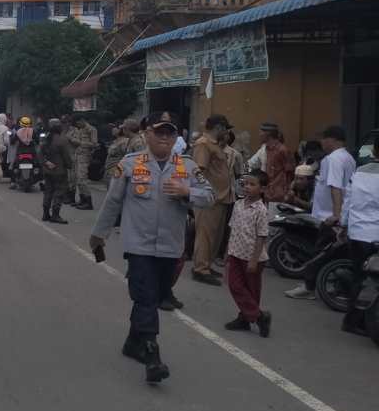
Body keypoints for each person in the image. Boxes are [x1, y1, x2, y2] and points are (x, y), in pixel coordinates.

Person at [90, 112, 214, 384]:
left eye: (170, 133)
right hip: (139, 245)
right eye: (159, 132)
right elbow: (112, 202)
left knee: (152, 297)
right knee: (145, 296)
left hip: (170, 248)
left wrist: (187, 193)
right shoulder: (130, 165)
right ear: (147, 134)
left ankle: (133, 342)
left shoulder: (187, 167)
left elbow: (209, 196)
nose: (165, 138)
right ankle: (152, 352)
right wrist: (99, 235)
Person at [286, 125, 358, 300]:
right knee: (332, 253)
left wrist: (336, 215)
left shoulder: (333, 159)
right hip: (338, 215)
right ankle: (327, 286)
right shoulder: (348, 158)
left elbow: (336, 188)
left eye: (323, 139)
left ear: (332, 139)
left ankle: (309, 288)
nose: (321, 143)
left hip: (329, 217)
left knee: (320, 253)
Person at [223, 169, 272, 337]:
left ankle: (245, 319)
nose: (247, 187)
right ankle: (259, 316)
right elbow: (232, 229)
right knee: (235, 285)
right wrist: (227, 251)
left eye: (253, 184)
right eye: (246, 184)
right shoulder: (238, 205)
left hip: (253, 257)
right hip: (236, 252)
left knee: (252, 291)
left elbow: (261, 236)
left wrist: (254, 260)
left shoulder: (261, 210)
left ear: (262, 189)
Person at [339, 141, 379, 334]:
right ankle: (359, 321)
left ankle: (353, 321)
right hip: (375, 235)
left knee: (360, 278)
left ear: (373, 150)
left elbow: (348, 200)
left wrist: (343, 224)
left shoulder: (360, 172)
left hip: (357, 233)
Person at [191, 114, 234, 286]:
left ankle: (206, 265)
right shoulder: (203, 144)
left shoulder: (215, 145)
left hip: (220, 197)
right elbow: (198, 171)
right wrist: (206, 192)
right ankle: (200, 268)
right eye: (225, 128)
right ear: (218, 128)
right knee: (206, 235)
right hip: (209, 198)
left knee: (215, 236)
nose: (226, 132)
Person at [40, 118, 72, 224]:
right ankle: (55, 215)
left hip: (47, 171)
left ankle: (45, 214)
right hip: (59, 171)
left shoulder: (45, 138)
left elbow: (39, 154)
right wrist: (70, 166)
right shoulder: (62, 140)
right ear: (58, 127)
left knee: (48, 192)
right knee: (59, 192)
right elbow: (66, 157)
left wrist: (46, 163)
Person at [260, 122, 295, 208]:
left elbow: (290, 173)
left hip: (279, 195)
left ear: (267, 134)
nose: (259, 135)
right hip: (268, 193)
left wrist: (288, 192)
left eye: (261, 132)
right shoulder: (266, 149)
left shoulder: (282, 150)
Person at [73, 115, 99, 210]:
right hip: (78, 156)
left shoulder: (91, 130)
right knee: (78, 180)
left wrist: (80, 143)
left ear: (82, 120)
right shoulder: (80, 130)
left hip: (85, 156)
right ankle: (82, 199)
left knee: (82, 179)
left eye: (78, 123)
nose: (78, 125)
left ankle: (88, 202)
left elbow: (94, 144)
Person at [63, 115, 79, 204]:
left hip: (72, 156)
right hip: (64, 157)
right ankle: (66, 196)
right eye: (64, 122)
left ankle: (71, 198)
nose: (66, 124)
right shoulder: (62, 131)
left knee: (72, 178)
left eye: (67, 122)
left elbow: (78, 142)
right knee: (65, 177)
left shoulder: (75, 131)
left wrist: (70, 138)